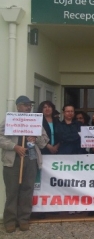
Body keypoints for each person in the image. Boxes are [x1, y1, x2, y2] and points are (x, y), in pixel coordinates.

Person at [0, 96, 48, 233]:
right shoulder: (9, 120)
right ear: (18, 107)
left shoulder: (35, 121)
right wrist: (14, 146)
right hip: (13, 160)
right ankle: (10, 220)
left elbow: (44, 140)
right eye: (25, 105)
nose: (28, 107)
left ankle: (24, 219)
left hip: (31, 159)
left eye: (30, 105)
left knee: (27, 190)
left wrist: (36, 137)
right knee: (12, 191)